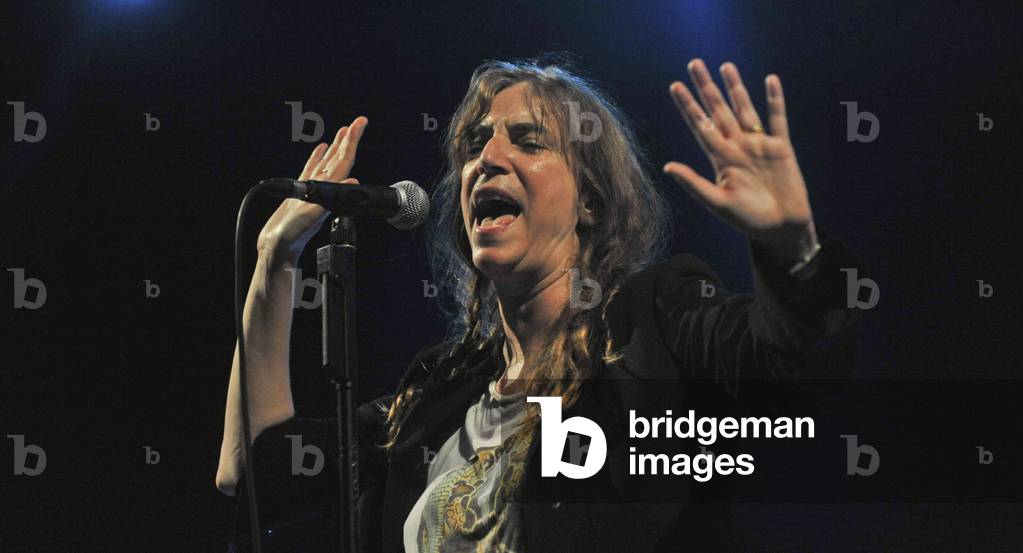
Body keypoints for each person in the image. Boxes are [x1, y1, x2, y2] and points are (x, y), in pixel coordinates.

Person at [216, 56, 864, 553]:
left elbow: (794, 363)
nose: (486, 159)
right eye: (473, 144)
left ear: (588, 200)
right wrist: (275, 257)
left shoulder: (650, 325)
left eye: (527, 141)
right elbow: (250, 474)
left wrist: (793, 249)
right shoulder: (431, 395)